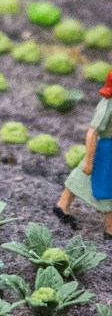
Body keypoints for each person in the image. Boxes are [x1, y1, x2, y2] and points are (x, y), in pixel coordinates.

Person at [57, 70, 112, 237]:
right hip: (107, 149)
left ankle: (62, 204)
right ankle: (110, 227)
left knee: (83, 177)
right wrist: (89, 161)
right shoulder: (108, 106)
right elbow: (91, 133)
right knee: (105, 185)